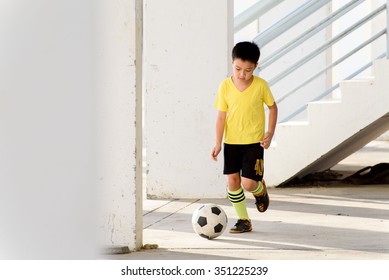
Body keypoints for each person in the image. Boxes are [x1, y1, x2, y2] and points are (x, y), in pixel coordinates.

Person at [211, 41, 278, 233]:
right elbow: (221, 116)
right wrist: (217, 143)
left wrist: (270, 133)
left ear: (255, 67)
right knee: (233, 181)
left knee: (248, 183)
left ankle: (260, 190)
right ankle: (243, 220)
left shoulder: (260, 85)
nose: (242, 74)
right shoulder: (225, 86)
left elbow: (273, 107)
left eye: (248, 70)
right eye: (238, 68)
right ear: (232, 63)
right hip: (231, 142)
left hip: (253, 142)